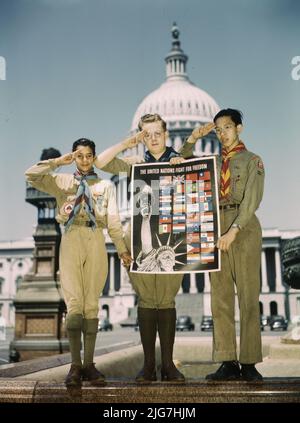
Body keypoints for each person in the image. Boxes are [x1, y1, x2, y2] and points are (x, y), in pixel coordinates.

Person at [94, 113, 213, 383]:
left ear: (167, 133)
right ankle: (148, 365)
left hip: (172, 237)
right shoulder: (136, 162)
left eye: (157, 133)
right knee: (147, 301)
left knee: (167, 301)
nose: (153, 139)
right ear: (141, 137)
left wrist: (183, 169)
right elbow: (101, 162)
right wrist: (129, 143)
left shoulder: (180, 160)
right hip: (139, 237)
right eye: (146, 135)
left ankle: (168, 364)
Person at [25, 139, 132, 388]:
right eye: (79, 156)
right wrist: (57, 162)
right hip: (71, 237)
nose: (84, 160)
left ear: (94, 157)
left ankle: (90, 364)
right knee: (74, 305)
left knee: (91, 304)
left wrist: (122, 251)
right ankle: (75, 365)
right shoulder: (62, 181)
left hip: (95, 238)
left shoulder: (105, 186)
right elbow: (30, 175)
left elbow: (114, 222)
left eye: (88, 156)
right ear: (74, 157)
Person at [181, 109, 265, 381]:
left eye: (226, 127)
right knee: (220, 300)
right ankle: (227, 361)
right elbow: (182, 160)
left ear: (239, 128)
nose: (222, 133)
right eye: (217, 129)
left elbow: (252, 199)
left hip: (244, 225)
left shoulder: (253, 160)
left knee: (249, 298)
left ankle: (250, 362)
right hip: (216, 226)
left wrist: (235, 230)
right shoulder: (212, 163)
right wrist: (194, 138)